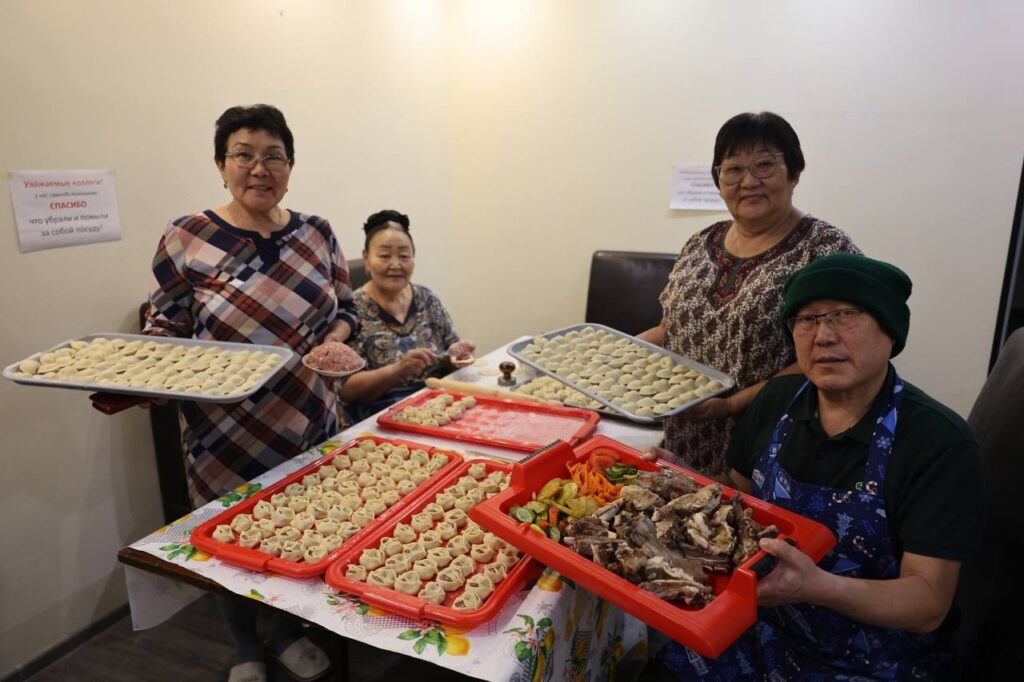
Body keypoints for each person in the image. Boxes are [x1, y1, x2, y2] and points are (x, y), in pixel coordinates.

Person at [652, 253, 982, 680]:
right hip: (758, 625)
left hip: (872, 658)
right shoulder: (777, 399)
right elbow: (738, 494)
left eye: (846, 315)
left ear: (890, 331)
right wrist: (684, 481)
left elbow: (928, 604)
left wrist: (817, 587)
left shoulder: (937, 442)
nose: (823, 336)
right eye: (806, 320)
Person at [144, 104, 353, 682]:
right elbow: (164, 326)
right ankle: (244, 646)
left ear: (290, 167)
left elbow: (348, 309)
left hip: (311, 419)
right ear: (221, 165)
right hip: (223, 431)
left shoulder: (316, 232)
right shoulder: (187, 235)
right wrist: (144, 381)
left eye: (273, 157)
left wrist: (333, 340)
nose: (259, 169)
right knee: (230, 538)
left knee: (301, 530)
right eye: (243, 155)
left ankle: (284, 630)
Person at [638, 112, 860, 476]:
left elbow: (831, 354)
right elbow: (671, 328)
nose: (748, 181)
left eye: (764, 165)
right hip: (686, 434)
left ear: (794, 172)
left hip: (774, 439)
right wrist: (612, 353)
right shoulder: (700, 242)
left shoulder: (825, 250)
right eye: (734, 169)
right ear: (718, 179)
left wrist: (732, 404)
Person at [340, 210, 474, 422]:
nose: (396, 265)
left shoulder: (427, 299)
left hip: (440, 410)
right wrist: (397, 371)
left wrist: (457, 356)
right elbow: (345, 389)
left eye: (404, 256)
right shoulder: (350, 312)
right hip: (380, 420)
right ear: (366, 258)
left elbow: (451, 351)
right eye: (385, 256)